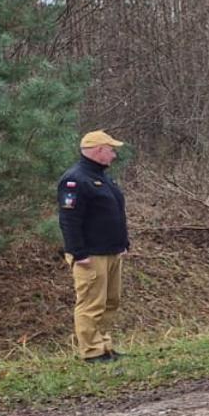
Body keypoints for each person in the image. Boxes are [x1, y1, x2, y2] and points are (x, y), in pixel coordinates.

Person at [57, 130, 130, 363]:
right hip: (91, 254)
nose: (114, 155)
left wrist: (123, 243)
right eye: (111, 149)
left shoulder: (104, 177)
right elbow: (69, 220)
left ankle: (104, 345)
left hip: (112, 251)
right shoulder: (75, 179)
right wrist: (78, 252)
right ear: (98, 150)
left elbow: (115, 213)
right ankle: (91, 351)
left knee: (111, 301)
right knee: (91, 303)